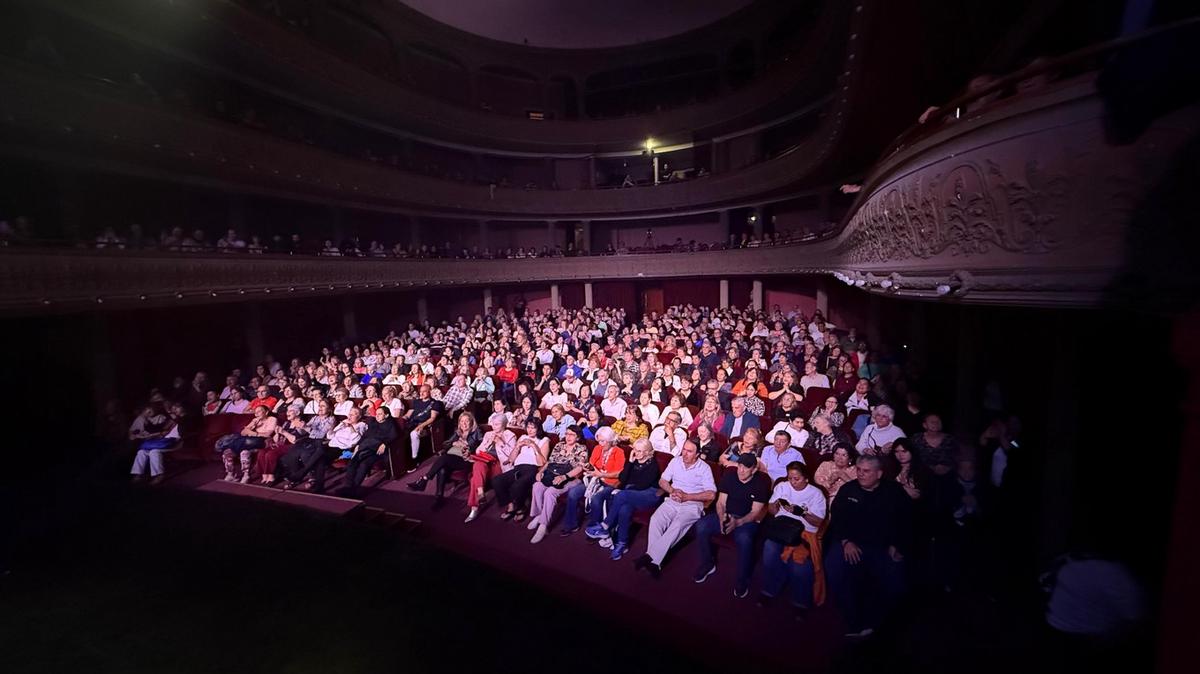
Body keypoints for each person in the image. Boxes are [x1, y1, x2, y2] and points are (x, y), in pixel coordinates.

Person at [824, 455, 913, 638]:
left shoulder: (894, 491)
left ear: (879, 473)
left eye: (866, 471)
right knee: (834, 569)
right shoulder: (848, 489)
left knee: (895, 582)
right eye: (858, 470)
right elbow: (837, 519)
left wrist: (897, 544)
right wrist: (846, 541)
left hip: (882, 545)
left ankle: (878, 622)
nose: (861, 474)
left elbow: (906, 520)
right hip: (850, 542)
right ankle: (853, 621)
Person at [633, 440, 717, 578]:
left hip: (692, 504)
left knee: (677, 525)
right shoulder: (675, 461)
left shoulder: (704, 468)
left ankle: (649, 557)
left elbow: (711, 494)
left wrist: (687, 496)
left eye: (689, 451)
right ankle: (655, 562)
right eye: (684, 449)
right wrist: (672, 490)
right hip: (673, 499)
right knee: (656, 519)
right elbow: (662, 481)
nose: (685, 453)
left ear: (697, 454)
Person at [692, 452, 770, 597]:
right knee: (701, 525)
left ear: (754, 470)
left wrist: (737, 522)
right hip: (727, 514)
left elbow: (755, 512)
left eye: (746, 468)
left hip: (745, 520)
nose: (741, 470)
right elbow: (721, 502)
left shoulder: (760, 484)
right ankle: (707, 563)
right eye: (739, 466)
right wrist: (722, 518)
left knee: (744, 539)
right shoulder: (729, 477)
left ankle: (742, 579)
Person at [760, 461, 829, 619]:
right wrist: (775, 506)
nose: (792, 482)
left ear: (806, 478)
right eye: (790, 478)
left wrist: (801, 512)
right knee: (769, 549)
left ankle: (800, 602)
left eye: (796, 479)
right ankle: (770, 588)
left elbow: (818, 522)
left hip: (804, 531)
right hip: (782, 528)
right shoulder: (782, 486)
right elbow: (771, 511)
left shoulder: (816, 494)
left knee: (799, 567)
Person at [585, 438, 662, 560]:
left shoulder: (652, 465)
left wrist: (626, 489)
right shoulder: (634, 461)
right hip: (633, 494)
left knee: (620, 495)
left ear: (647, 452)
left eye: (639, 451)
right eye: (635, 450)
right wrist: (630, 462)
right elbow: (622, 478)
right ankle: (622, 544)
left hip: (650, 495)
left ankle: (605, 526)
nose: (636, 453)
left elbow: (642, 485)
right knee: (624, 510)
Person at [407, 409, 482, 509]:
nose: (464, 424)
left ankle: (424, 480)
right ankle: (439, 497)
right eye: (462, 421)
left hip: (466, 459)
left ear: (471, 422)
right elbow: (445, 444)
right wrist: (453, 443)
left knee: (444, 458)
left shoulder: (477, 432)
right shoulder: (457, 432)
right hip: (452, 458)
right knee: (442, 468)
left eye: (467, 421)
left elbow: (481, 445)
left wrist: (467, 445)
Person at [527, 426, 589, 543]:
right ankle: (539, 515)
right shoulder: (559, 445)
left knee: (550, 492)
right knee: (537, 486)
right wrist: (540, 472)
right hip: (553, 474)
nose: (568, 437)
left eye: (572, 435)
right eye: (567, 434)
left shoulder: (582, 448)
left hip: (571, 478)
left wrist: (564, 477)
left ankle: (543, 526)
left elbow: (580, 468)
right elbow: (550, 462)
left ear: (578, 437)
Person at [560, 427, 626, 535]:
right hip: (594, 480)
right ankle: (571, 525)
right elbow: (591, 464)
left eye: (603, 441)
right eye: (599, 441)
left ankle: (593, 528)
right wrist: (587, 467)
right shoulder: (597, 448)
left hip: (610, 483)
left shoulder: (619, 452)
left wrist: (602, 474)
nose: (600, 444)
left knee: (596, 499)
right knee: (573, 493)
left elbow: (619, 473)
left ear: (610, 440)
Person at [463, 412, 517, 523]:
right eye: (493, 424)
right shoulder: (488, 434)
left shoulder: (510, 435)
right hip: (485, 461)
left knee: (474, 479)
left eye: (497, 424)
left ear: (504, 424)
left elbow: (512, 456)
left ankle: (474, 508)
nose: (494, 426)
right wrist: (488, 443)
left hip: (499, 464)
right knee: (478, 464)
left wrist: (501, 443)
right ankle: (480, 493)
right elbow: (478, 451)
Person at [493, 420, 549, 522]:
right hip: (518, 467)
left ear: (538, 429)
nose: (530, 430)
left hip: (532, 468)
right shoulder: (523, 437)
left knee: (517, 485)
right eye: (528, 427)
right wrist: (518, 446)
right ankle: (511, 505)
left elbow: (542, 462)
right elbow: (511, 459)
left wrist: (534, 446)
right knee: (497, 480)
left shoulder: (544, 440)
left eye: (533, 428)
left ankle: (521, 507)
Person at [340, 405, 398, 496]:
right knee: (359, 463)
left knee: (361, 459)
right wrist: (358, 445)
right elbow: (365, 436)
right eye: (376, 414)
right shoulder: (373, 423)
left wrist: (384, 444)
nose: (377, 416)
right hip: (367, 448)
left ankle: (352, 488)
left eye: (380, 414)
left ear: (386, 415)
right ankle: (349, 488)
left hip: (377, 450)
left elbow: (394, 436)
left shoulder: (391, 424)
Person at [129, 402, 187, 485]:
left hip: (174, 442)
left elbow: (183, 430)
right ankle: (138, 474)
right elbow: (161, 428)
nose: (175, 410)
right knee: (141, 451)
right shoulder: (172, 419)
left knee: (154, 451)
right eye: (174, 408)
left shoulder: (186, 418)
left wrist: (174, 419)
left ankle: (159, 475)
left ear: (183, 408)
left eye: (177, 407)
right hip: (163, 441)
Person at [216, 404, 277, 483]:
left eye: (259, 411)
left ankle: (246, 475)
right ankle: (231, 474)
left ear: (266, 412)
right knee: (228, 452)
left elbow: (267, 434)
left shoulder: (272, 419)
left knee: (245, 447)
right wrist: (252, 425)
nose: (256, 413)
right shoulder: (255, 420)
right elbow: (243, 432)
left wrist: (253, 433)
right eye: (255, 412)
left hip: (262, 441)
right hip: (247, 442)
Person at [256, 404, 306, 485]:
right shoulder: (286, 423)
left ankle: (271, 476)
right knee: (262, 452)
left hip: (292, 446)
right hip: (281, 445)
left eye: (290, 411)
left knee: (270, 454)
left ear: (297, 413)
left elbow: (294, 440)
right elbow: (276, 439)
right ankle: (265, 475)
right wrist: (277, 434)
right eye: (287, 411)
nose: (287, 413)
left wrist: (283, 432)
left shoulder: (301, 424)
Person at [403, 384, 443, 466]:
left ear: (429, 392)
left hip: (425, 426)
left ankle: (415, 458)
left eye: (424, 391)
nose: (421, 393)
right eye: (420, 391)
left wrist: (421, 426)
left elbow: (432, 418)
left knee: (414, 434)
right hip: (411, 423)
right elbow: (408, 415)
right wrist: (401, 420)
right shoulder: (416, 402)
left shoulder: (435, 403)